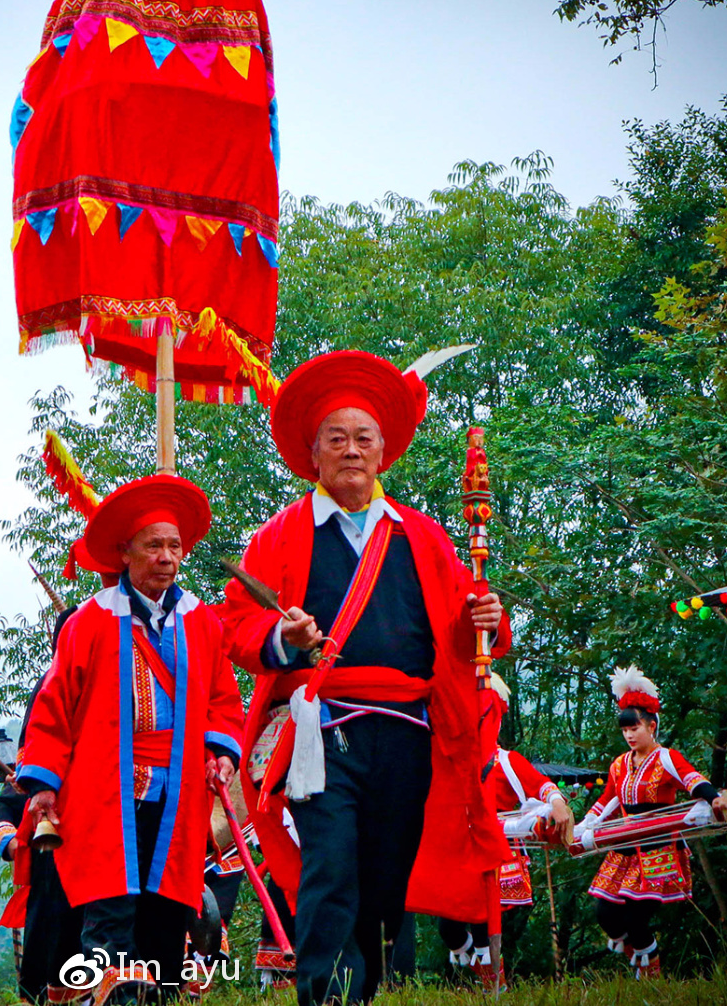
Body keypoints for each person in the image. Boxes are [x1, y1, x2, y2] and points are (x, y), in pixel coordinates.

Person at [222, 349, 514, 1006]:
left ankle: (367, 991)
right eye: (337, 438)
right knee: (331, 864)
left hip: (409, 729)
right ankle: (325, 994)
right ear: (314, 453)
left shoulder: (425, 535)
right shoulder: (281, 534)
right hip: (322, 729)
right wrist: (283, 639)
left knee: (387, 879)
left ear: (384, 451)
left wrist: (487, 620)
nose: (351, 450)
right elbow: (237, 625)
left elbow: (464, 638)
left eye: (363, 438)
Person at [18, 475, 246, 1005]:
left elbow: (222, 701)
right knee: (110, 923)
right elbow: (53, 710)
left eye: (174, 546)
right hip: (106, 797)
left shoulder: (202, 623)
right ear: (125, 552)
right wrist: (44, 784)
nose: (167, 557)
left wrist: (221, 752)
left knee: (168, 921)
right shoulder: (90, 622)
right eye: (154, 545)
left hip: (179, 795)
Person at [0, 539, 121, 1003]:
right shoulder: (52, 686)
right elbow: (10, 798)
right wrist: (10, 834)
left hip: (113, 810)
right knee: (55, 922)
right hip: (59, 822)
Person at [577, 665, 727, 979]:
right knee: (605, 912)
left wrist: (714, 798)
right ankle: (642, 962)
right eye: (625, 730)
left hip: (657, 846)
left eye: (636, 728)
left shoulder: (666, 758)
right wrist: (582, 828)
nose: (630, 735)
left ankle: (650, 976)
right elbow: (608, 800)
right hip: (624, 844)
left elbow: (693, 781)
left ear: (652, 726)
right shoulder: (619, 764)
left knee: (637, 916)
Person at [438, 673, 573, 989]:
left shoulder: (508, 761)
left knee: (485, 926)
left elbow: (543, 786)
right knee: (449, 927)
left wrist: (557, 803)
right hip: (461, 851)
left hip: (499, 853)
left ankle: (493, 987)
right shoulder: (455, 761)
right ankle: (488, 978)